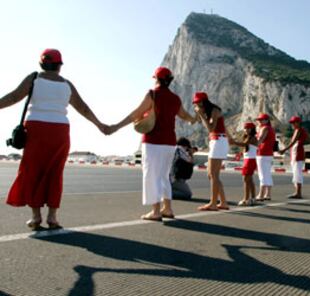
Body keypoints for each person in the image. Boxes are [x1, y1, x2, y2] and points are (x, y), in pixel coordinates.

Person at [0, 49, 108, 230]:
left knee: (33, 170)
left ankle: (36, 217)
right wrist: (100, 125)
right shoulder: (67, 85)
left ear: (41, 64)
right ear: (59, 66)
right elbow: (83, 108)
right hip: (60, 131)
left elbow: (13, 97)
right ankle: (52, 217)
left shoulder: (34, 79)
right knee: (54, 173)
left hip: (36, 130)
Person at [109, 67, 197, 221]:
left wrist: (116, 126)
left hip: (153, 141)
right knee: (164, 176)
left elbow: (136, 114)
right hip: (170, 142)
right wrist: (194, 119)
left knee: (151, 176)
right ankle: (167, 209)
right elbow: (185, 116)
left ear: (156, 78)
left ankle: (155, 212)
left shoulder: (153, 95)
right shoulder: (175, 99)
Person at [193, 92, 230, 211]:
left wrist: (201, 115)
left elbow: (211, 128)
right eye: (196, 103)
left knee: (214, 174)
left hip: (219, 140)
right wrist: (200, 115)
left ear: (204, 101)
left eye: (198, 102)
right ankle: (223, 202)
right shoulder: (208, 112)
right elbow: (199, 123)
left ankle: (213, 203)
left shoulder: (214, 110)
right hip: (215, 141)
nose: (197, 104)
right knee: (211, 174)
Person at [279, 116, 308, 199]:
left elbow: (294, 142)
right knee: (295, 173)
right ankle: (296, 192)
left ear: (298, 123)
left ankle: (298, 193)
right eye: (291, 123)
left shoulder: (299, 130)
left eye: (293, 123)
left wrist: (284, 149)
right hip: (295, 153)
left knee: (297, 173)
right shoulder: (297, 130)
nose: (292, 124)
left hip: (298, 153)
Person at [230, 122, 258, 206]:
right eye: (245, 128)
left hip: (250, 161)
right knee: (250, 180)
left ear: (252, 129)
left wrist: (234, 142)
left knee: (246, 180)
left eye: (248, 128)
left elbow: (245, 144)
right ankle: (253, 198)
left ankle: (246, 199)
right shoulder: (248, 137)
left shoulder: (252, 137)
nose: (246, 130)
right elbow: (246, 148)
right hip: (249, 160)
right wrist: (241, 154)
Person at [255, 113, 276, 201]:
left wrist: (251, 145)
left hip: (262, 153)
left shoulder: (264, 128)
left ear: (267, 120)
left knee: (262, 174)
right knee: (267, 174)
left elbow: (260, 140)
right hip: (268, 153)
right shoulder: (270, 128)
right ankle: (268, 194)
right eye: (259, 120)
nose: (259, 121)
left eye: (261, 120)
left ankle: (261, 194)